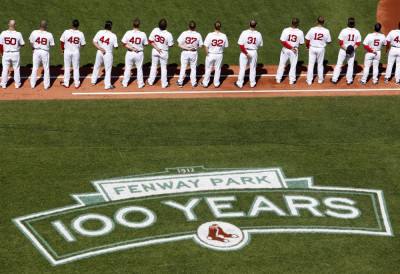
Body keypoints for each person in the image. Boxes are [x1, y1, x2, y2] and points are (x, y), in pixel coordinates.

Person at [331, 18, 362, 85]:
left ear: (348, 23)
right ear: (354, 24)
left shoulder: (344, 31)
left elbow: (341, 42)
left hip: (343, 50)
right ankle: (349, 80)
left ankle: (334, 79)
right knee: (350, 65)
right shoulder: (357, 32)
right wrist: (352, 49)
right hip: (352, 52)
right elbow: (358, 43)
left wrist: (346, 49)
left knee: (339, 64)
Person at [235, 20, 263, 88]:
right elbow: (260, 44)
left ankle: (240, 83)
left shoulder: (244, 33)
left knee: (242, 68)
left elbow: (241, 45)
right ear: (255, 25)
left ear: (249, 24)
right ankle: (252, 83)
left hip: (244, 52)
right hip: (253, 52)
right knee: (253, 68)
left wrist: (246, 53)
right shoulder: (258, 34)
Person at [276, 18, 304, 85]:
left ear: (291, 22)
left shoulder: (285, 30)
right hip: (294, 50)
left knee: (282, 64)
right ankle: (291, 80)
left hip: (285, 49)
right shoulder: (300, 32)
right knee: (293, 65)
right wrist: (292, 47)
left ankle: (278, 79)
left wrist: (289, 47)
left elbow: (282, 41)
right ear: (297, 24)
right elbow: (301, 43)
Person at [121, 18, 148, 88]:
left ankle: (125, 83)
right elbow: (145, 44)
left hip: (129, 53)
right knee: (139, 68)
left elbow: (123, 43)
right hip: (139, 54)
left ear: (133, 24)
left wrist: (132, 48)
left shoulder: (128, 32)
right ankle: (140, 84)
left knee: (127, 68)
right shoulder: (143, 34)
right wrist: (138, 48)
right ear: (139, 25)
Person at [147, 19, 174, 88]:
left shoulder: (155, 30)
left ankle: (150, 81)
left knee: (153, 66)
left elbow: (150, 41)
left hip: (155, 50)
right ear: (166, 26)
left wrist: (157, 48)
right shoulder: (168, 34)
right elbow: (171, 45)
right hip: (163, 52)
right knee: (163, 68)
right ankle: (164, 84)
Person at [91, 21, 118, 90]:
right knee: (108, 69)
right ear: (111, 27)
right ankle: (107, 85)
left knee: (96, 66)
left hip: (99, 52)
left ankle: (93, 81)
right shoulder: (113, 35)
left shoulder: (99, 32)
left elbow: (94, 42)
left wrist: (100, 48)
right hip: (108, 54)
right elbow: (116, 46)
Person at [305, 16, 331, 85]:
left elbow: (307, 40)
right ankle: (320, 80)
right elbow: (329, 41)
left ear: (317, 21)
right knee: (320, 64)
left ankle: (309, 81)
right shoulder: (326, 31)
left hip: (312, 48)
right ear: (323, 22)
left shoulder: (312, 29)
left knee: (311, 64)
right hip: (321, 49)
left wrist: (307, 47)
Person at [202, 21, 229, 88]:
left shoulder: (210, 34)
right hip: (219, 55)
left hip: (210, 54)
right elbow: (226, 46)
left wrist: (207, 54)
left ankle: (205, 83)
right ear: (220, 27)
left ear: (214, 26)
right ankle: (216, 83)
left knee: (208, 69)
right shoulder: (224, 35)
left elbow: (205, 45)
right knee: (218, 69)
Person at [29, 20, 55, 90]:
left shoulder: (34, 32)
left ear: (39, 25)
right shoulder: (49, 34)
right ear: (46, 26)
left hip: (36, 51)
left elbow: (31, 42)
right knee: (46, 68)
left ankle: (32, 85)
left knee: (35, 68)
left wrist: (33, 49)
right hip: (45, 52)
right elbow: (52, 45)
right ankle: (46, 86)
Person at [176, 21, 203, 88]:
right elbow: (201, 46)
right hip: (193, 53)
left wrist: (187, 48)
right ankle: (193, 83)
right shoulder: (198, 34)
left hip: (185, 52)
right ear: (195, 27)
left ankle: (180, 82)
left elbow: (179, 44)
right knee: (193, 68)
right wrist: (194, 47)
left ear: (188, 26)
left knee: (183, 67)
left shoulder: (184, 33)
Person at [60, 19, 86, 88]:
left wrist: (62, 50)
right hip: (76, 52)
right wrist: (78, 47)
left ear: (72, 25)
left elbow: (62, 42)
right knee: (76, 68)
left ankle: (66, 83)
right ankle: (77, 84)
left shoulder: (66, 32)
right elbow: (83, 44)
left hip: (67, 51)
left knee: (67, 67)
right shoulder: (80, 33)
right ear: (78, 26)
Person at [0, 19, 25, 89]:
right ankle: (17, 84)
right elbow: (23, 44)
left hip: (6, 53)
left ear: (8, 24)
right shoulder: (18, 34)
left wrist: (2, 53)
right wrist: (18, 46)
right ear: (15, 25)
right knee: (16, 69)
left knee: (5, 69)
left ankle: (3, 84)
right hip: (15, 54)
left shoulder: (3, 33)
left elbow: (0, 45)